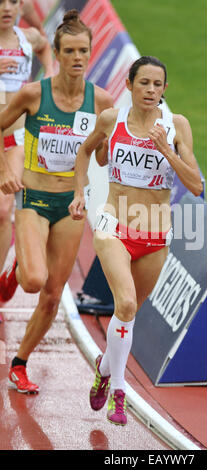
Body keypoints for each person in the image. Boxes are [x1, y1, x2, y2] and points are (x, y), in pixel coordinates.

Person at [69, 55, 203, 426]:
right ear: (129, 85)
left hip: (155, 234)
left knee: (127, 313)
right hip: (113, 224)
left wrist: (166, 150)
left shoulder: (176, 127)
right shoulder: (112, 119)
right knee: (125, 302)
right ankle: (120, 391)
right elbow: (84, 153)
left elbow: (195, 185)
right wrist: (80, 193)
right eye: (143, 83)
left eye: (157, 84)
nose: (150, 90)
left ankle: (104, 365)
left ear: (164, 90)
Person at [0, 9, 113, 393]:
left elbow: (101, 158)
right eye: (70, 51)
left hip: (70, 204)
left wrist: (103, 146)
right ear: (59, 53)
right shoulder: (34, 94)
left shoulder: (102, 102)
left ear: (90, 52)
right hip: (32, 197)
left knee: (51, 295)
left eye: (84, 51)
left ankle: (20, 363)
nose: (78, 58)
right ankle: (14, 273)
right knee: (34, 280)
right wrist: (5, 168)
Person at [0, 0, 53, 284]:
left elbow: (44, 44)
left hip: (17, 139)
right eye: (1, 2)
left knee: (2, 210)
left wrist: (50, 71)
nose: (7, 8)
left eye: (13, 2)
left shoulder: (26, 37)